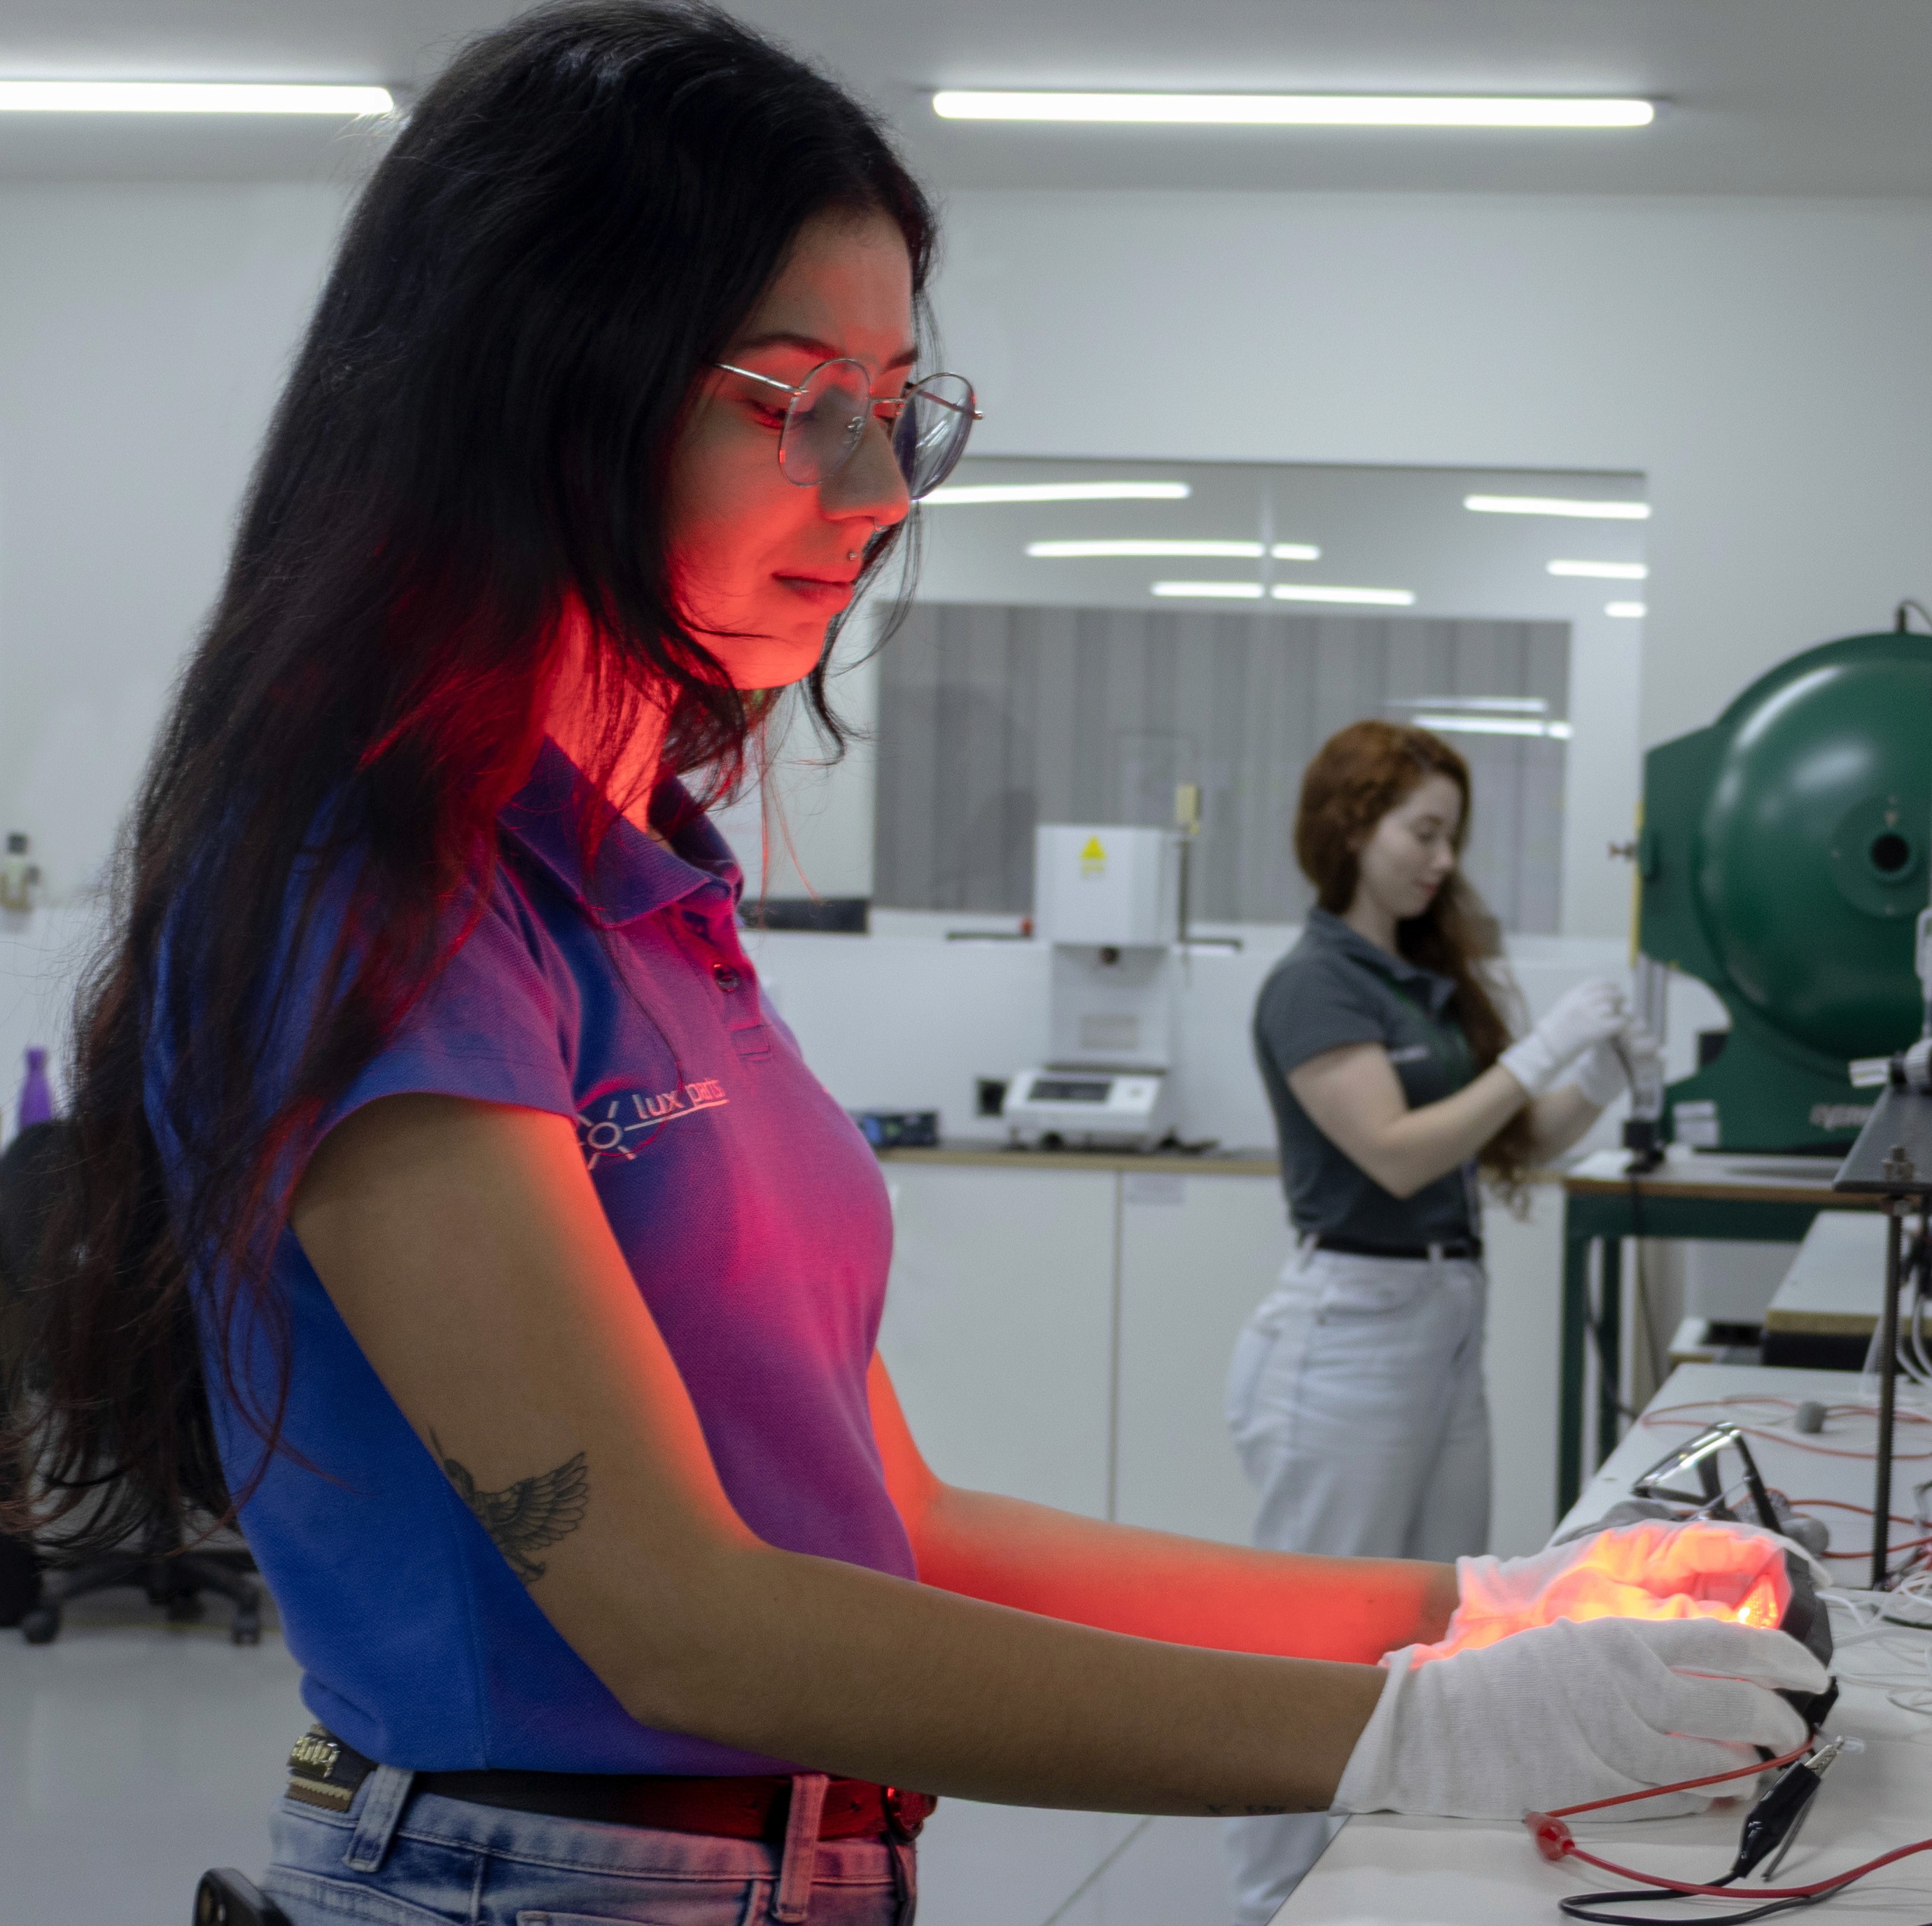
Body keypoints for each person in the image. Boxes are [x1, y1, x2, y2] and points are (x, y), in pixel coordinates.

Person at [4, 11, 1823, 1925]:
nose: (876, 495)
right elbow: (677, 1620)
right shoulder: (373, 894)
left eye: (897, 402)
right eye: (796, 399)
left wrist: (1469, 1612)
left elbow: (905, 1530)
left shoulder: (650, 897)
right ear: (547, 390)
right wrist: (1422, 1739)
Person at [1222, 718, 1664, 1923]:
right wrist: (1538, 1048)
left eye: (1450, 838)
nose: (1438, 859)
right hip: (1349, 1333)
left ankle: (1376, 1878)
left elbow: (1503, 1140)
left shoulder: (1417, 979)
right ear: (1352, 826)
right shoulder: (1314, 981)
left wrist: (1604, 1074)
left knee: (1435, 1620)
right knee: (1315, 1636)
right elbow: (1399, 1151)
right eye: (1421, 831)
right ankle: (1268, 1897)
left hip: (1440, 1318)